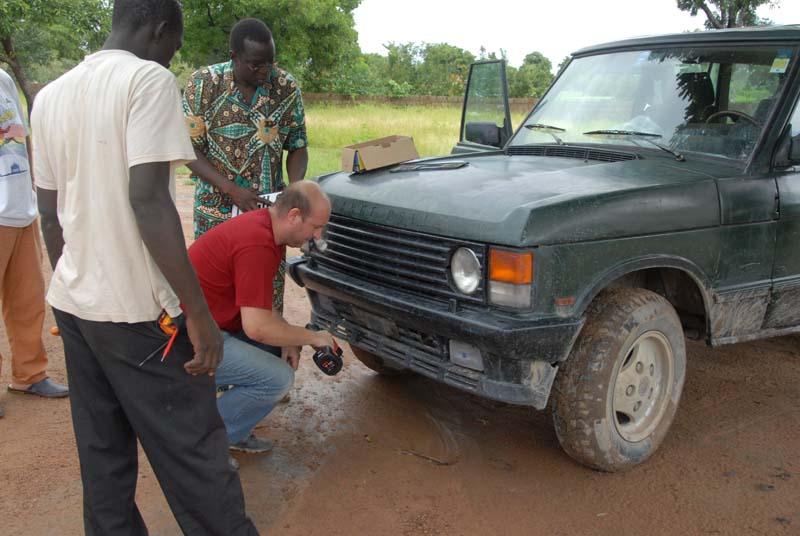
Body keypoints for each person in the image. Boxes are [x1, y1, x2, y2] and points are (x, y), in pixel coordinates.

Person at [31, 1, 258, 534]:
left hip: (75, 306)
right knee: (196, 455)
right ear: (159, 29)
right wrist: (196, 312)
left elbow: (49, 212)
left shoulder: (49, 96)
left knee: (103, 458)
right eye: (173, 46)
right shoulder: (148, 81)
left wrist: (81, 280)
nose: (170, 55)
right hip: (139, 315)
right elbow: (150, 201)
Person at [188, 181, 335, 454]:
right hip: (183, 339)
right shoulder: (257, 244)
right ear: (293, 215)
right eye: (316, 227)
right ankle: (207, 445)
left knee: (276, 346)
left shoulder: (265, 227)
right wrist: (314, 337)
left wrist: (288, 336)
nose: (318, 236)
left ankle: (225, 426)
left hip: (206, 325)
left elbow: (259, 302)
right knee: (277, 379)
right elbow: (256, 327)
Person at [183, 17, 309, 316]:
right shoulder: (203, 85)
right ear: (234, 57)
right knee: (215, 292)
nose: (265, 70)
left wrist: (294, 188)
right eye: (256, 64)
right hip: (216, 212)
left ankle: (266, 355)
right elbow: (187, 148)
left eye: (270, 62)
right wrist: (230, 189)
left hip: (267, 215)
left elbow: (298, 145)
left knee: (263, 292)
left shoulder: (285, 86)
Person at [0, 67, 68, 418]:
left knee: (27, 299)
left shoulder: (3, 79)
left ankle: (29, 373)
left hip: (20, 207)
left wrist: (30, 189)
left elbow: (23, 137)